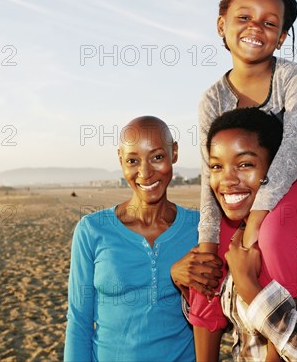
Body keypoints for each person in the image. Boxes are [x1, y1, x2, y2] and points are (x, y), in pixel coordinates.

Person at [194, 0, 297, 357]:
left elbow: (293, 148)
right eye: (244, 16)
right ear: (221, 24)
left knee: (274, 234)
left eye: (270, 23)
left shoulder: (294, 77)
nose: (255, 28)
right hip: (249, 183)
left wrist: (256, 222)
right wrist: (208, 246)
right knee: (206, 267)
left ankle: (277, 346)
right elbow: (210, 173)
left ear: (282, 36)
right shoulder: (212, 99)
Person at [173, 107, 297, 361]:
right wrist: (183, 280)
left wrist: (251, 289)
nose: (227, 180)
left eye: (245, 164)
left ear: (278, 171)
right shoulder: (231, 240)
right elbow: (232, 329)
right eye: (216, 166)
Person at [64, 116, 219, 362]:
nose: (145, 173)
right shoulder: (91, 230)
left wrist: (182, 283)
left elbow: (222, 311)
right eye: (132, 161)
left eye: (157, 157)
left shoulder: (202, 229)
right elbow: (79, 322)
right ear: (120, 161)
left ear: (174, 153)